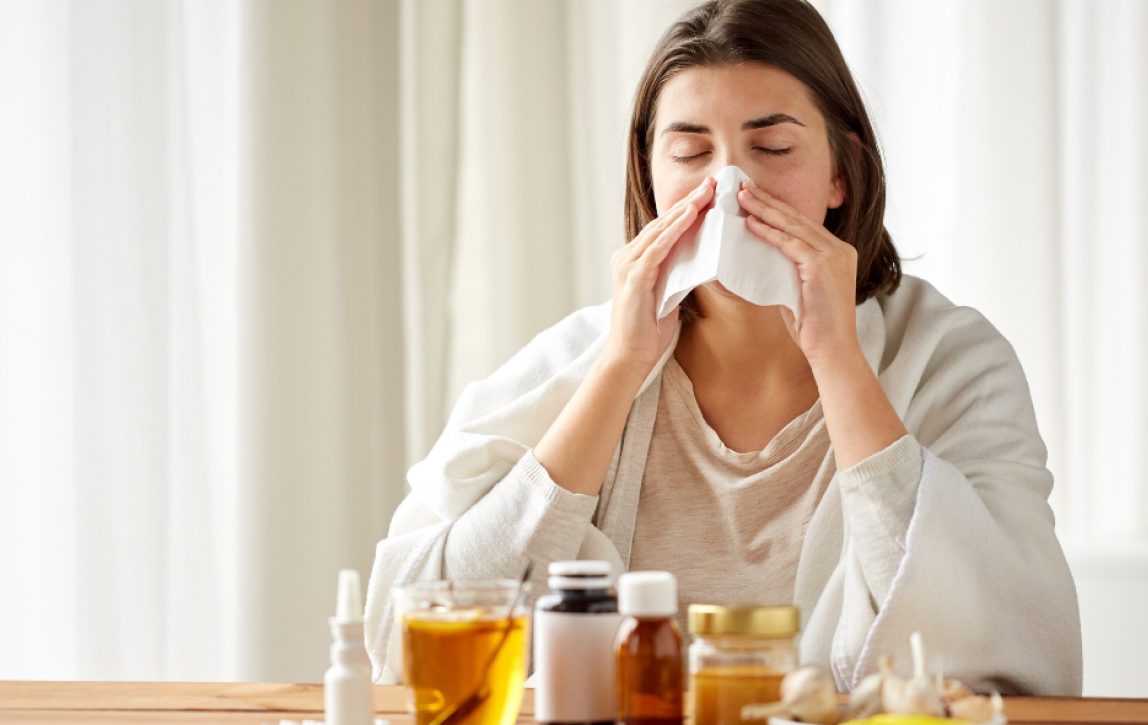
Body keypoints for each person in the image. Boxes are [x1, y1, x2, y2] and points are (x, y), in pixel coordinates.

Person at [365, 0, 1083, 695]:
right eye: (689, 152)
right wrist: (618, 370)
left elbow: (1011, 649)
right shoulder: (578, 361)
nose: (729, 189)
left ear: (841, 173)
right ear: (649, 179)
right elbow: (406, 639)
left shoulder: (953, 359)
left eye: (772, 148)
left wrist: (838, 359)